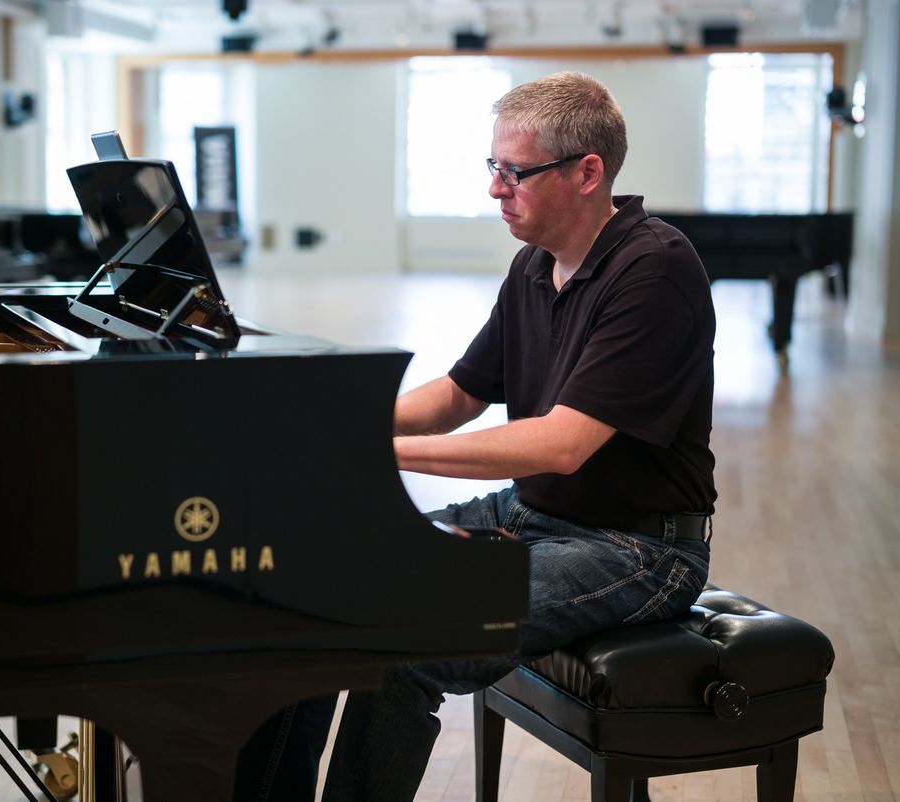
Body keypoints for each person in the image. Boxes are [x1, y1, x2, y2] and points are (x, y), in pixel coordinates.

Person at [237, 70, 717, 802]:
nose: (496, 189)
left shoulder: (656, 268)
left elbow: (560, 444)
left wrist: (374, 452)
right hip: (533, 517)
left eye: (515, 172)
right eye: (493, 168)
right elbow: (462, 393)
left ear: (588, 173)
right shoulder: (533, 266)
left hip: (638, 547)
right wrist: (341, 418)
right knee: (315, 586)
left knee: (407, 645)